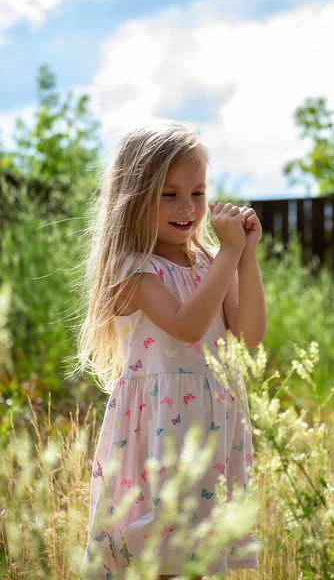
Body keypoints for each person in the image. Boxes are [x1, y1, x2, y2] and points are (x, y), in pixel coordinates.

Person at [78, 121, 267, 580]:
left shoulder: (206, 262)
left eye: (198, 193)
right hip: (161, 425)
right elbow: (186, 326)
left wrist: (245, 257)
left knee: (196, 554)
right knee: (159, 548)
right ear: (134, 197)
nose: (188, 208)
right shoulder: (133, 271)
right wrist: (226, 256)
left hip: (210, 421)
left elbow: (249, 335)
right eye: (170, 194)